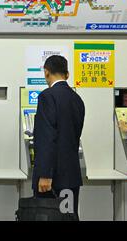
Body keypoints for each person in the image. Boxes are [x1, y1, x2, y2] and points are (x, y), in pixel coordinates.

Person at [32, 55, 85, 217]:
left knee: (48, 216)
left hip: (52, 179)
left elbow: (48, 138)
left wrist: (45, 174)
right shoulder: (77, 99)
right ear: (67, 74)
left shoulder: (47, 96)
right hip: (71, 176)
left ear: (46, 72)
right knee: (68, 216)